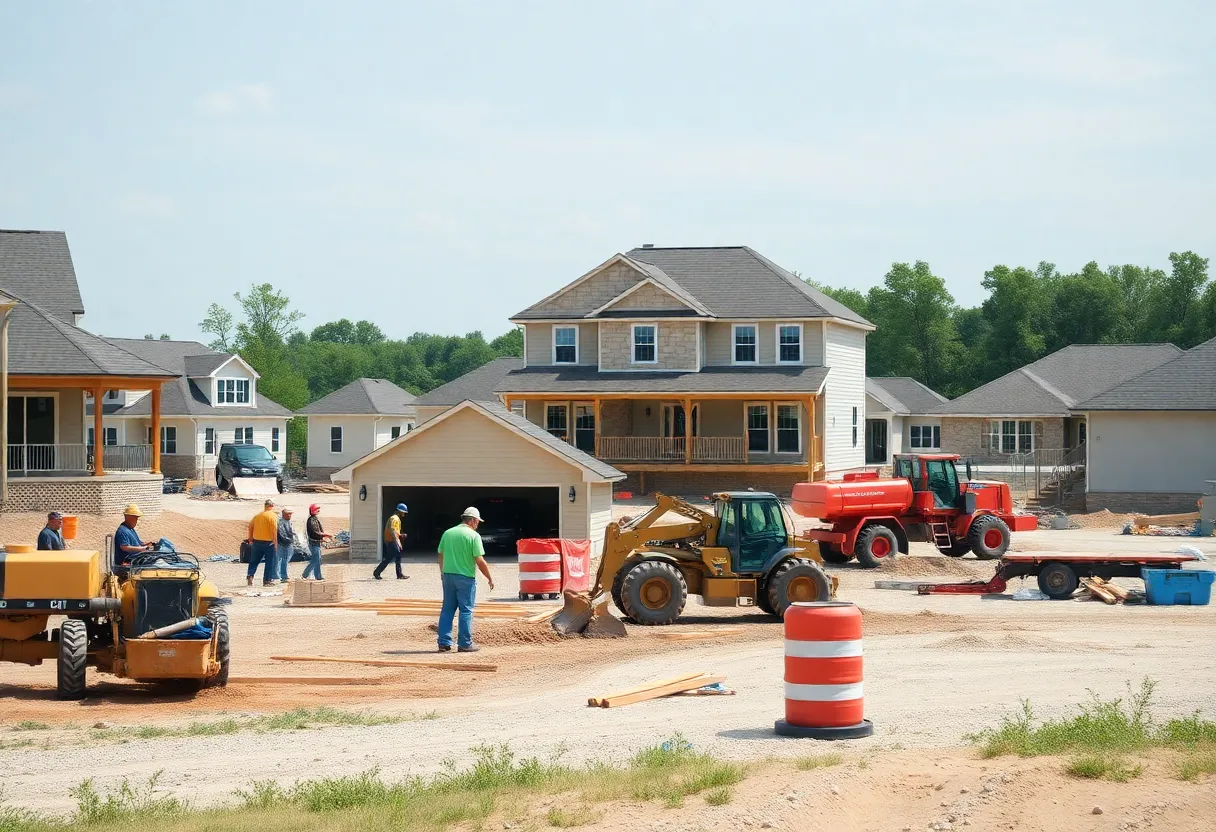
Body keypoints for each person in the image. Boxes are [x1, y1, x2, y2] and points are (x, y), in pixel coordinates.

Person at [436, 506, 495, 653]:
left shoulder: (448, 533)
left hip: (448, 576)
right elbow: (480, 560)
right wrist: (489, 577)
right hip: (465, 578)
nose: (478, 525)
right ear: (473, 521)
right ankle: (464, 643)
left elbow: (440, 554)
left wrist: (442, 572)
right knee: (466, 610)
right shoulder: (473, 536)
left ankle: (444, 642)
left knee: (447, 610)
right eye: (478, 522)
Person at [246, 499, 279, 587]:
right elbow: (274, 530)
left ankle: (250, 575)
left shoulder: (257, 516)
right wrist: (276, 543)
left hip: (256, 542)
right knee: (270, 562)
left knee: (254, 561)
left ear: (265, 506)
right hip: (269, 543)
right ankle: (267, 580)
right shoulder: (273, 516)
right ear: (272, 506)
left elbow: (250, 527)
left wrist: (250, 539)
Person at [374, 503, 409, 580]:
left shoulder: (395, 518)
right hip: (391, 540)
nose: (404, 514)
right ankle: (399, 575)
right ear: (400, 511)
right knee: (397, 556)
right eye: (403, 512)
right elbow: (392, 530)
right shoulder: (395, 519)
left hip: (392, 540)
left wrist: (401, 535)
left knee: (389, 558)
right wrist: (397, 541)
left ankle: (377, 572)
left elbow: (395, 531)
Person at [304, 503, 332, 581]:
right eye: (317, 509)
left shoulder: (314, 519)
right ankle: (305, 575)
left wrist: (323, 538)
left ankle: (318, 577)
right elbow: (315, 532)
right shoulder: (312, 520)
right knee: (315, 560)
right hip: (314, 543)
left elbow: (317, 532)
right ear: (313, 510)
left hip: (316, 543)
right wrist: (326, 535)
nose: (318, 511)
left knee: (317, 560)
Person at [276, 507, 296, 582]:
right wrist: (289, 541)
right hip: (283, 544)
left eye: (290, 514)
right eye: (288, 514)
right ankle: (283, 576)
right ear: (283, 515)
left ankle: (281, 575)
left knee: (286, 559)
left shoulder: (289, 522)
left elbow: (292, 532)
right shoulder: (281, 522)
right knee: (284, 559)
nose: (290, 515)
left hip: (289, 543)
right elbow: (282, 534)